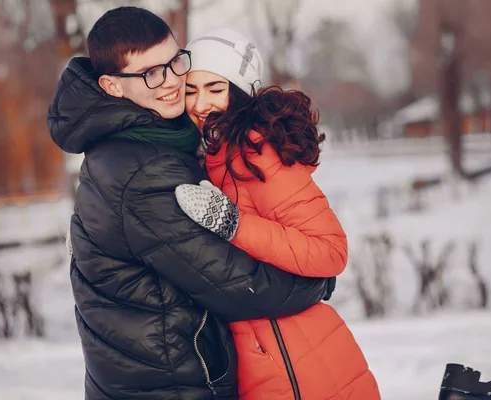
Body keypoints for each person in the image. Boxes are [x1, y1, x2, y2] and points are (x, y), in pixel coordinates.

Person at [47, 7, 334, 400]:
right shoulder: (144, 169)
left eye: (175, 62)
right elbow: (234, 286)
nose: (172, 82)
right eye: (151, 73)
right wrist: (312, 281)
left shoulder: (144, 140)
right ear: (113, 87)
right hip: (171, 384)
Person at [175, 29, 381, 399]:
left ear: (237, 92)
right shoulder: (215, 155)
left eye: (214, 89)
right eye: (190, 90)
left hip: (298, 361)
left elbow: (330, 250)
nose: (199, 103)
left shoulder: (257, 152)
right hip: (264, 355)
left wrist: (233, 224)